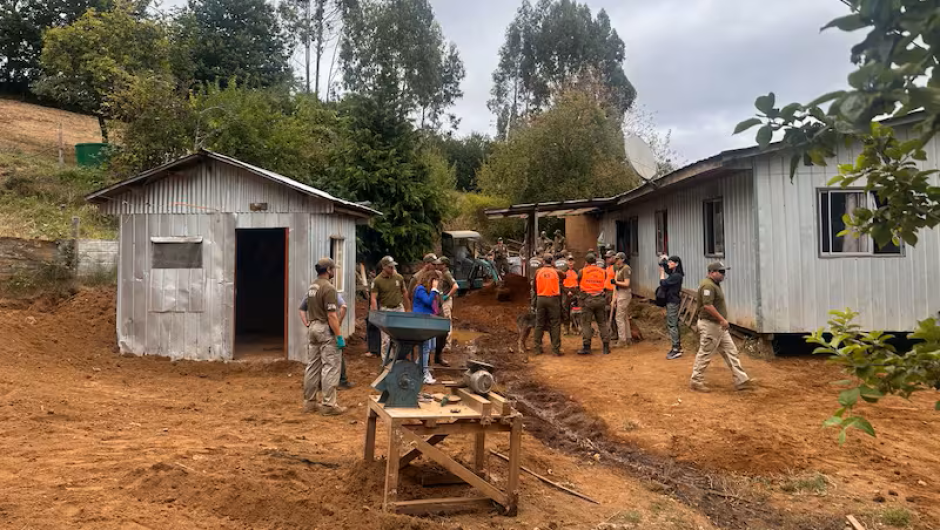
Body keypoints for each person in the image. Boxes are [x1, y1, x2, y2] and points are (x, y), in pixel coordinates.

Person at [690, 262, 753, 392]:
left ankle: (741, 380)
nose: (723, 275)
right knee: (705, 353)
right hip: (710, 325)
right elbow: (707, 305)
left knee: (731, 351)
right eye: (721, 272)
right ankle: (696, 380)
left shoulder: (714, 284)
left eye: (724, 272)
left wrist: (721, 321)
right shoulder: (708, 285)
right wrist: (722, 319)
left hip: (718, 325)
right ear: (712, 272)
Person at [298, 258, 345, 416]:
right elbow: (331, 315)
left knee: (313, 366)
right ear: (329, 270)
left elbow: (303, 308)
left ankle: (309, 403)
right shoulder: (328, 288)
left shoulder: (313, 286)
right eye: (333, 269)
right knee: (330, 366)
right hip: (325, 329)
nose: (334, 271)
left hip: (313, 327)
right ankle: (329, 405)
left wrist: (308, 323)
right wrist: (339, 336)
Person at [370, 256, 408, 362]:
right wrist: (375, 313)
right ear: (384, 267)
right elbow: (373, 298)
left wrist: (408, 307)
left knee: (401, 335)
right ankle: (386, 361)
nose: (392, 269)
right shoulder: (377, 281)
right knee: (386, 338)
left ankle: (399, 358)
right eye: (390, 267)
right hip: (386, 310)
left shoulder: (399, 278)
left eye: (393, 267)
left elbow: (404, 292)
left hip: (399, 308)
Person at [412, 270, 442, 384]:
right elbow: (428, 302)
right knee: (425, 347)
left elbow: (435, 305)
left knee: (431, 346)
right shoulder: (420, 289)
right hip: (421, 320)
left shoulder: (428, 291)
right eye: (435, 281)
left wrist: (435, 291)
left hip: (428, 320)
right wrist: (434, 289)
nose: (437, 283)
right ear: (430, 280)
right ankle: (423, 373)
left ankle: (416, 368)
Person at [577, 253, 610, 355]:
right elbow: (605, 282)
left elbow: (578, 282)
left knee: (586, 323)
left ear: (586, 262)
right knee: (602, 323)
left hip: (588, 300)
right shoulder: (603, 271)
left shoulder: (582, 271)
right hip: (600, 299)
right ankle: (606, 347)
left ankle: (587, 347)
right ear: (595, 261)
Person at [531, 253, 564, 356]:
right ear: (552, 261)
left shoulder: (538, 272)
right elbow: (564, 276)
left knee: (539, 323)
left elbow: (534, 287)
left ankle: (537, 348)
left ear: (543, 261)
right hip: (553, 299)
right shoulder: (557, 272)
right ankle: (555, 349)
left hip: (541, 298)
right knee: (555, 323)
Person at [433, 257, 458, 366]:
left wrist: (447, 296)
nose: (437, 266)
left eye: (440, 264)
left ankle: (447, 345)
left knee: (447, 322)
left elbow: (455, 286)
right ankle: (443, 344)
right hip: (441, 301)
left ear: (445, 265)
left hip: (446, 302)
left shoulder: (447, 274)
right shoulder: (441, 274)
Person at [659, 254, 685, 359]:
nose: (669, 264)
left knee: (672, 324)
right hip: (672, 301)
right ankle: (677, 346)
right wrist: (664, 261)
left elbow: (663, 283)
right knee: (673, 323)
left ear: (676, 264)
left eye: (671, 262)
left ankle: (675, 349)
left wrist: (661, 273)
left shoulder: (677, 276)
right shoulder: (674, 274)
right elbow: (667, 269)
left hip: (673, 302)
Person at [613, 252, 633, 348]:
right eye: (616, 259)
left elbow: (626, 283)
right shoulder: (618, 269)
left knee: (619, 317)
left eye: (618, 259)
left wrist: (616, 282)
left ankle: (622, 340)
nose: (616, 260)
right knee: (624, 316)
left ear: (623, 259)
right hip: (620, 292)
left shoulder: (626, 268)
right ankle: (628, 338)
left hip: (624, 293)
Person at [562, 254, 579, 335]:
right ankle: (566, 328)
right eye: (569, 261)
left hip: (575, 293)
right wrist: (567, 291)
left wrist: (574, 291)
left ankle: (575, 327)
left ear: (574, 262)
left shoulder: (577, 271)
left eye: (572, 261)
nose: (570, 262)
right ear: (566, 262)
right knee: (565, 311)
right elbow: (560, 283)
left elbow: (579, 283)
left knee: (576, 310)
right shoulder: (563, 271)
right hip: (566, 293)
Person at [604, 250, 618, 340]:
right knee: (608, 312)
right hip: (607, 292)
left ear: (613, 258)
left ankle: (616, 333)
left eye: (609, 258)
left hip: (613, 292)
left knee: (614, 313)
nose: (607, 259)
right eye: (606, 258)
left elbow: (618, 281)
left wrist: (615, 295)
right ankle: (613, 331)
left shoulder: (616, 267)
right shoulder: (608, 267)